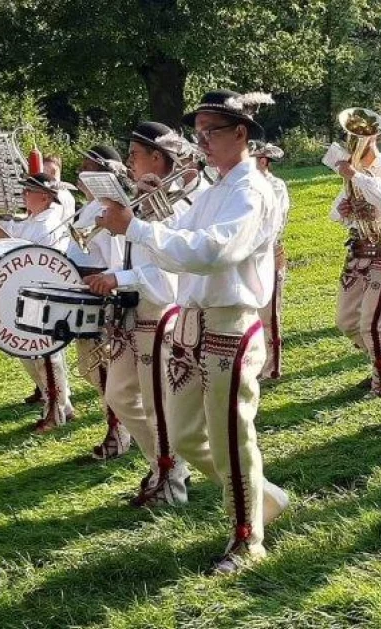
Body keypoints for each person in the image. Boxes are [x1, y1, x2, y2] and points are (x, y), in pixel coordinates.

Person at [98, 89, 289, 574]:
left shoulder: (251, 189)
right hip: (192, 322)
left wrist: (136, 228)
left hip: (230, 323)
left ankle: (248, 539)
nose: (201, 141)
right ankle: (262, 496)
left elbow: (211, 252)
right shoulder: (218, 186)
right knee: (184, 436)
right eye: (198, 132)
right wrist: (144, 213)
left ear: (241, 133)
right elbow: (180, 245)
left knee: (231, 436)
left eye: (212, 132)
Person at [84, 122, 191, 506]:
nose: (128, 161)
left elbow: (168, 275)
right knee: (119, 394)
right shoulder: (141, 199)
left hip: (160, 312)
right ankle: (164, 463)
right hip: (131, 311)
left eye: (134, 154)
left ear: (157, 157)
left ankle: (171, 479)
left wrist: (118, 277)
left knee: (157, 402)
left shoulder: (177, 205)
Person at [331, 112, 381, 397]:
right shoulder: (353, 171)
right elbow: (335, 213)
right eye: (352, 136)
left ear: (373, 137)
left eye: (361, 136)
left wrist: (357, 176)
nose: (354, 141)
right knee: (346, 321)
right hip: (358, 248)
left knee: (372, 322)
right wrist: (343, 210)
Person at [0, 172, 76, 431]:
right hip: (30, 295)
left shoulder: (48, 224)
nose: (23, 196)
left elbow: (37, 255)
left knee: (47, 356)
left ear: (44, 197)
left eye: (27, 192)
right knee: (30, 353)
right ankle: (60, 404)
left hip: (45, 296)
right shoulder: (37, 218)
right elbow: (17, 229)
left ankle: (56, 412)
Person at [67, 144, 129, 459]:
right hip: (82, 293)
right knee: (90, 369)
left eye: (87, 166)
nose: (80, 171)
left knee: (104, 370)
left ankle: (118, 433)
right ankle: (122, 427)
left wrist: (106, 285)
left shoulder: (109, 208)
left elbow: (118, 262)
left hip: (99, 295)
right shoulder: (89, 207)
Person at [250, 140, 290, 380]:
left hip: (269, 253)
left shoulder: (276, 186)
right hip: (247, 257)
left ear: (263, 161)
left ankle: (272, 367)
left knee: (269, 315)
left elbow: (272, 223)